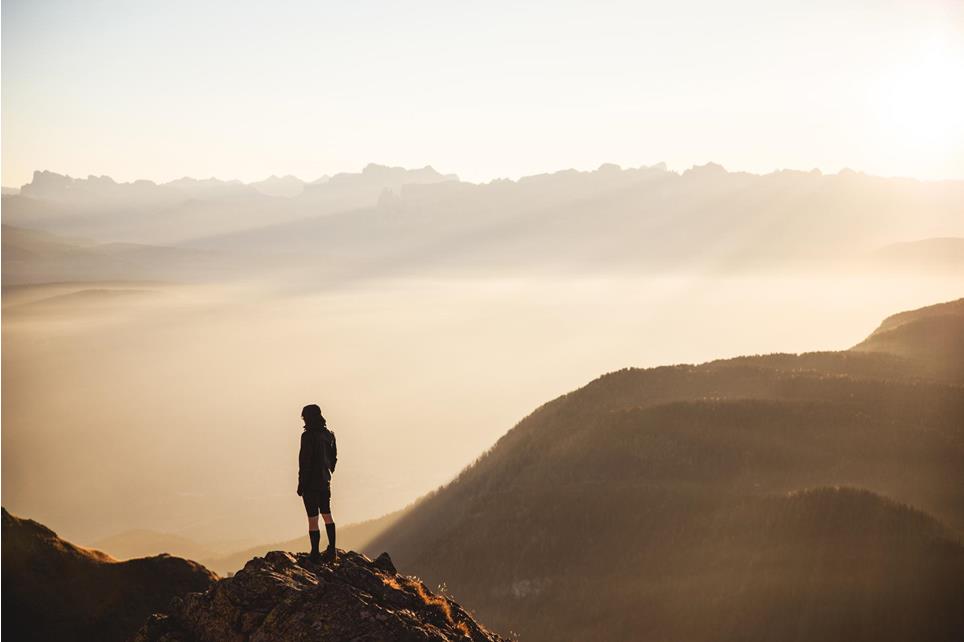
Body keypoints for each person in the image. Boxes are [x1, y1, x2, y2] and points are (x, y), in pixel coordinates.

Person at [296, 404, 338, 562]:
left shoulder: (307, 436)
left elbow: (304, 462)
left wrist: (301, 485)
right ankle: (332, 550)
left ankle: (314, 552)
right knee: (327, 514)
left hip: (311, 484)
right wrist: (328, 472)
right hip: (325, 481)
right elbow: (334, 458)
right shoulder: (329, 435)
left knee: (312, 519)